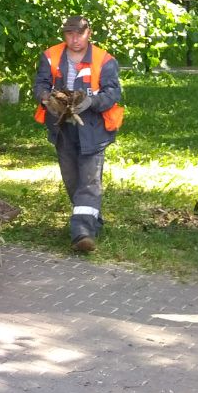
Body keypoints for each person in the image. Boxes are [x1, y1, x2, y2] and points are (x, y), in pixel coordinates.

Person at [32, 15, 124, 253]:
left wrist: (91, 102)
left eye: (79, 34)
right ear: (64, 35)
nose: (74, 39)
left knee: (89, 181)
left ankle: (82, 233)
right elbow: (40, 84)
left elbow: (113, 93)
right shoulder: (50, 56)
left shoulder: (105, 60)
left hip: (93, 129)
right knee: (72, 180)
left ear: (88, 33)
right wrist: (46, 99)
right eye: (69, 34)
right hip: (62, 128)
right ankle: (92, 221)